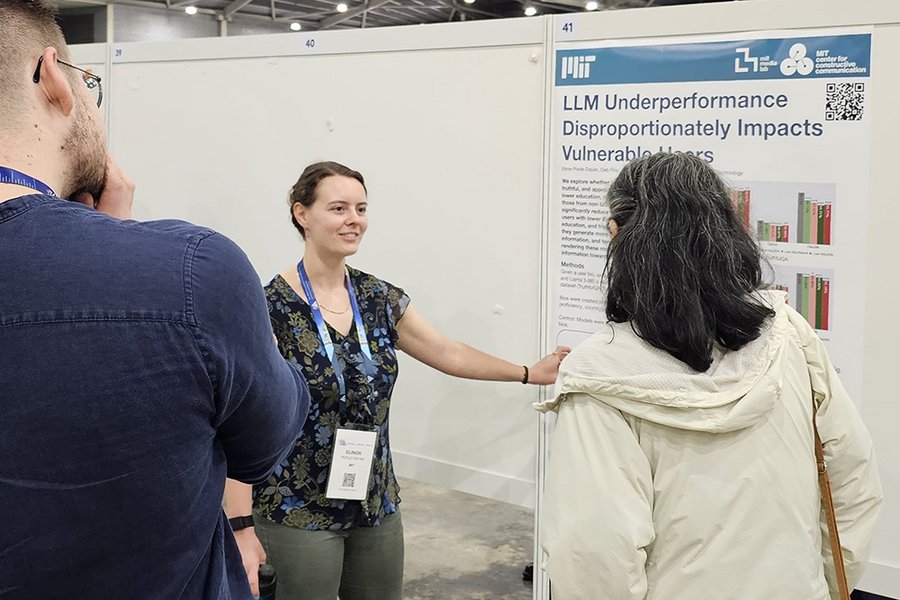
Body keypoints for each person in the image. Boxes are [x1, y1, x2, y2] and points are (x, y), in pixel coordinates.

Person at [0, 2, 311, 598]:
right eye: (89, 82)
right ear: (52, 79)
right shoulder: (193, 271)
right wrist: (120, 246)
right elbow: (264, 444)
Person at [537, 152, 883, 599]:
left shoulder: (598, 374)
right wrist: (824, 586)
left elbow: (593, 553)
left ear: (621, 238)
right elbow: (851, 480)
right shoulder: (789, 334)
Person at [224, 160, 568, 599]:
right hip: (297, 507)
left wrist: (527, 373)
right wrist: (239, 527)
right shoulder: (269, 307)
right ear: (301, 214)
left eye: (361, 208)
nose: (354, 220)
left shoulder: (377, 298)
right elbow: (242, 421)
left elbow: (448, 352)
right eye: (339, 208)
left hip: (375, 501)